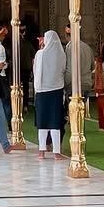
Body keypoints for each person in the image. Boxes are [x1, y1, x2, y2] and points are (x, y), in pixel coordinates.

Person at [33, 30, 66, 159]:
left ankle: (41, 152)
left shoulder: (40, 54)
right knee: (55, 121)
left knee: (43, 121)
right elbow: (63, 70)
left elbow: (36, 70)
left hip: (42, 91)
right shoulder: (61, 54)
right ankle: (57, 152)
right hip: (56, 90)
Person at [63, 25, 94, 106]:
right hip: (86, 84)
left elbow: (69, 70)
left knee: (72, 112)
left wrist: (65, 84)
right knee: (81, 111)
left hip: (73, 86)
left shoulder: (69, 47)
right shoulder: (87, 47)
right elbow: (92, 67)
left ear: (66, 34)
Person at [0, 25, 12, 124]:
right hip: (1, 76)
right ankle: (9, 124)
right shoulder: (0, 48)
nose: (4, 37)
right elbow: (2, 64)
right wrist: (7, 64)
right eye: (3, 35)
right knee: (5, 101)